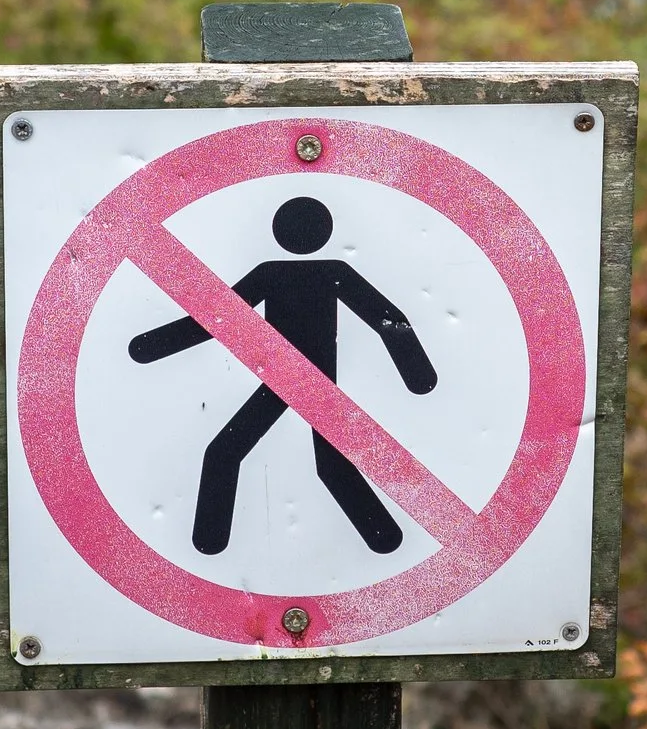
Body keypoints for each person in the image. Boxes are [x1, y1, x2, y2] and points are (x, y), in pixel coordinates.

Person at [128, 194, 436, 555]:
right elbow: (389, 319)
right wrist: (417, 375)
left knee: (228, 453)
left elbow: (215, 319)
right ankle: (385, 538)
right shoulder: (321, 272)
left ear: (279, 232)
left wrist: (152, 346)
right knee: (324, 463)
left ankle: (211, 541)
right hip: (294, 381)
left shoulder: (280, 273)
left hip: (300, 382)